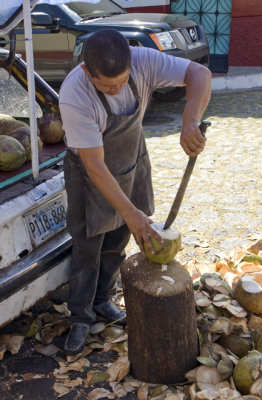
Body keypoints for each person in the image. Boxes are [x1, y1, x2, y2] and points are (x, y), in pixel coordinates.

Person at [59, 29, 211, 355]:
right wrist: (132, 214)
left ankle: (102, 300)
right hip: (90, 171)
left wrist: (190, 119)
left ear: (132, 59)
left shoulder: (143, 60)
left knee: (117, 239)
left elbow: (199, 73)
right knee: (88, 245)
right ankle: (81, 317)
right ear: (87, 72)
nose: (115, 90)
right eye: (106, 86)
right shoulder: (74, 93)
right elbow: (96, 166)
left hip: (130, 158)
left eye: (120, 82)